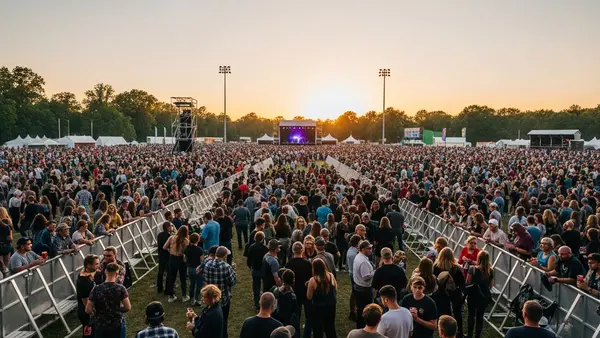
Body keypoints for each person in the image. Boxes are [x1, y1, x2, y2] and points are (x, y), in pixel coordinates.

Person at [86, 263, 131, 338]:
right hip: (116, 324)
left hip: (100, 324)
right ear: (117, 273)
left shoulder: (96, 289)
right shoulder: (120, 288)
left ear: (105, 272)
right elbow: (128, 307)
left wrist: (95, 313)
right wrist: (116, 310)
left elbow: (88, 309)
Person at [201, 246, 237, 338]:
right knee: (223, 321)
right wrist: (233, 270)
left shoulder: (207, 263)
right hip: (223, 299)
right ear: (224, 256)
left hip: (209, 297)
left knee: (210, 320)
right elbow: (232, 281)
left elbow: (202, 274)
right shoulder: (226, 267)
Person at [433, 247, 466, 337]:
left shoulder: (436, 267)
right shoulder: (456, 268)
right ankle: (459, 332)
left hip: (441, 294)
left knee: (444, 315)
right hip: (454, 294)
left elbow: (434, 281)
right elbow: (462, 283)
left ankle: (443, 332)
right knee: (457, 314)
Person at [285, 241, 313, 337]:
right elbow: (311, 278)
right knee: (309, 315)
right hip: (306, 292)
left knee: (296, 315)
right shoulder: (308, 263)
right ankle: (307, 334)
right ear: (303, 250)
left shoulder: (289, 264)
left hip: (294, 292)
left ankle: (296, 334)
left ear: (293, 251)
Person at [465, 250, 494, 338]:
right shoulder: (490, 271)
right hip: (483, 296)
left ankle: (469, 335)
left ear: (478, 258)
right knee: (480, 317)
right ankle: (477, 335)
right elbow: (491, 285)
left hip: (473, 295)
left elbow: (467, 282)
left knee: (471, 315)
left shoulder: (472, 269)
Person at [307, 258, 338, 338]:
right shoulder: (331, 276)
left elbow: (309, 297)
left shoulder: (313, 280)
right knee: (330, 327)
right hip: (331, 306)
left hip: (318, 308)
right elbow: (335, 289)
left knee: (318, 329)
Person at [163, 225, 190, 303]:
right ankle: (184, 296)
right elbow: (186, 252)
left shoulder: (172, 237)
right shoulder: (186, 240)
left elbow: (164, 247)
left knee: (171, 277)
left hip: (172, 258)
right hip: (181, 259)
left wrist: (171, 250)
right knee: (183, 278)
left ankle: (171, 296)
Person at [353, 240, 375, 329]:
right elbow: (366, 277)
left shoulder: (359, 257)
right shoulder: (363, 262)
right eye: (368, 248)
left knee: (360, 309)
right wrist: (375, 272)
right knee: (365, 310)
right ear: (362, 249)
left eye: (371, 248)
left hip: (358, 286)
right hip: (364, 289)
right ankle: (363, 327)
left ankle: (360, 326)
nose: (371, 250)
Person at [271, 269, 299, 337]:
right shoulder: (292, 296)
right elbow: (295, 310)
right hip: (288, 320)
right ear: (293, 281)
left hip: (277, 318)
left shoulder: (275, 291)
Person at [77, 254, 99, 337]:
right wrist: (90, 312)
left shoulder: (88, 274)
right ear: (89, 265)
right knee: (89, 335)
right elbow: (85, 298)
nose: (98, 266)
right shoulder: (83, 280)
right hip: (86, 312)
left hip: (90, 309)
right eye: (96, 264)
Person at [185, 233, 205, 306]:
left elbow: (185, 259)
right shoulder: (199, 249)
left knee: (192, 284)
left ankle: (192, 298)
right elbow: (202, 260)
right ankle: (198, 300)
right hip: (198, 269)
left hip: (190, 268)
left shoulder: (187, 248)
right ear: (198, 240)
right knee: (199, 285)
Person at [156, 221, 173, 294]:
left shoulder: (159, 235)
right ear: (168, 227)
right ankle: (167, 289)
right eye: (170, 226)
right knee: (168, 272)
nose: (171, 227)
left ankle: (159, 288)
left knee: (160, 272)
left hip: (161, 255)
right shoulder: (169, 236)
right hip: (167, 255)